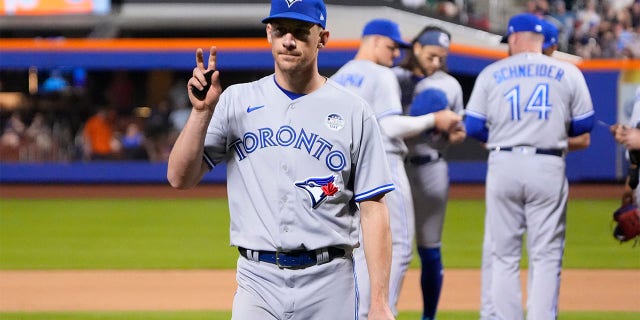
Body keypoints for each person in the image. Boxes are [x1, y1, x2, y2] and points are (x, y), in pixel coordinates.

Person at [167, 1, 396, 319]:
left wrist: (380, 301)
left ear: (323, 38)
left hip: (329, 282)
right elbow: (179, 178)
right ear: (268, 34)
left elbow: (374, 209)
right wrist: (201, 113)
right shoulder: (236, 100)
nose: (289, 40)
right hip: (257, 281)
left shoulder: (354, 111)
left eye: (301, 31)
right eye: (280, 30)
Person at [464, 13, 594, 320]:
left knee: (503, 256)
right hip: (547, 163)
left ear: (514, 37)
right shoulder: (568, 71)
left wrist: (501, 135)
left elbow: (472, 126)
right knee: (546, 255)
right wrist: (547, 128)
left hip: (503, 162)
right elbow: (584, 124)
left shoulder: (492, 72)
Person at [330, 19, 462, 319]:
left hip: (345, 172)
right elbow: (388, 126)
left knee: (358, 250)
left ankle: (359, 313)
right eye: (391, 47)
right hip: (383, 164)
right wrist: (433, 120)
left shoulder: (338, 78)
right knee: (397, 247)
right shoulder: (380, 74)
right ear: (374, 40)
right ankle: (380, 312)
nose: (394, 55)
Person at [394, 25, 466, 320]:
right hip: (395, 166)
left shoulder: (450, 85)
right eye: (432, 55)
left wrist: (452, 134)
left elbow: (459, 130)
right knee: (390, 249)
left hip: (431, 167)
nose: (437, 62)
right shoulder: (394, 78)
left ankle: (429, 317)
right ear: (417, 48)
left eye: (442, 58)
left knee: (429, 248)